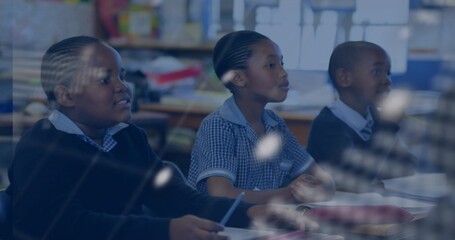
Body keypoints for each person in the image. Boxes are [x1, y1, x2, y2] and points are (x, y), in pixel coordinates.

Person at [6, 36, 317, 240]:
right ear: (66, 95)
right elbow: (65, 226)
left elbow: (175, 197)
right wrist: (165, 230)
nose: (122, 87)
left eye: (122, 75)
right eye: (105, 79)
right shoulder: (42, 147)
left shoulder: (128, 139)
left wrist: (249, 213)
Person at [187, 30, 335, 204]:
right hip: (217, 227)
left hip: (257, 226)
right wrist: (289, 194)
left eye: (282, 63)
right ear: (239, 78)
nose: (283, 73)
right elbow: (221, 195)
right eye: (271, 65)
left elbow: (324, 181)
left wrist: (316, 187)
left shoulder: (275, 124)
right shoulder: (218, 126)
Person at [306, 41, 417, 192]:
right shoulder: (328, 126)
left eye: (388, 73)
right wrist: (388, 127)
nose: (387, 80)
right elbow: (355, 178)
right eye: (377, 72)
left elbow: (407, 165)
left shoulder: (375, 116)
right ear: (344, 78)